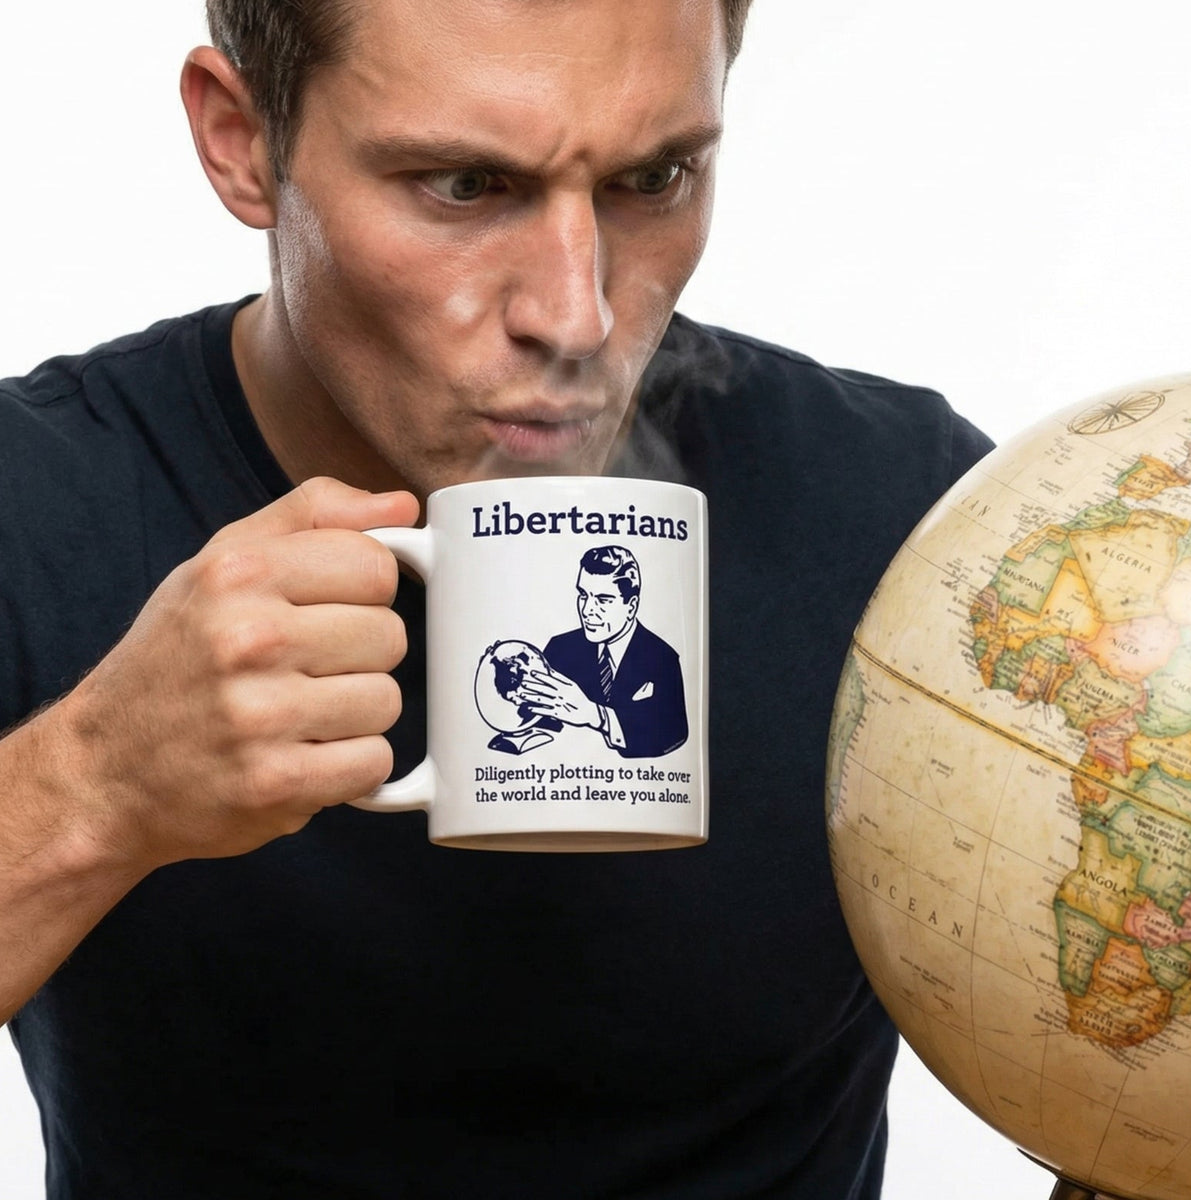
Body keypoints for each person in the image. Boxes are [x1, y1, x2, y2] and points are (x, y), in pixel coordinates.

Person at [0, 1, 992, 1197]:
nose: (576, 318)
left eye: (652, 179)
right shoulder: (34, 504)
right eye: (467, 186)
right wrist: (93, 785)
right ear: (242, 139)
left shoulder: (920, 517)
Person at [521, 545, 690, 758]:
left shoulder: (662, 658)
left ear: (631, 606)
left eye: (602, 600)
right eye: (583, 595)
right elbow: (536, 715)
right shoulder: (560, 647)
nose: (587, 610)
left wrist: (595, 715)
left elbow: (672, 733)